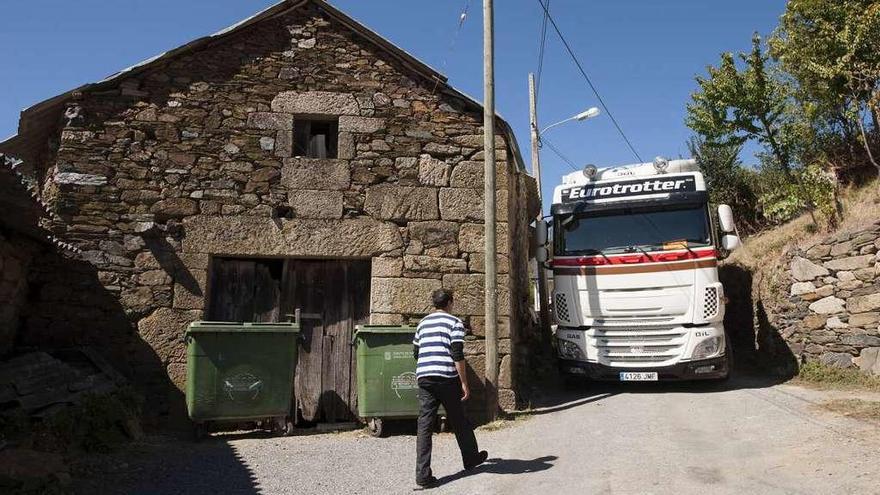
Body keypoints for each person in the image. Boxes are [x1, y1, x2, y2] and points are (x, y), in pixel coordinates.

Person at [412, 288, 488, 488]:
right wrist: (464, 382)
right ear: (450, 303)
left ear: (434, 304)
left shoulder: (422, 323)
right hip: (446, 378)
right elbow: (457, 354)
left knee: (425, 426)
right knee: (459, 420)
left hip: (424, 377)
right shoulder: (455, 323)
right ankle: (471, 459)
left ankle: (422, 475)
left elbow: (416, 352)